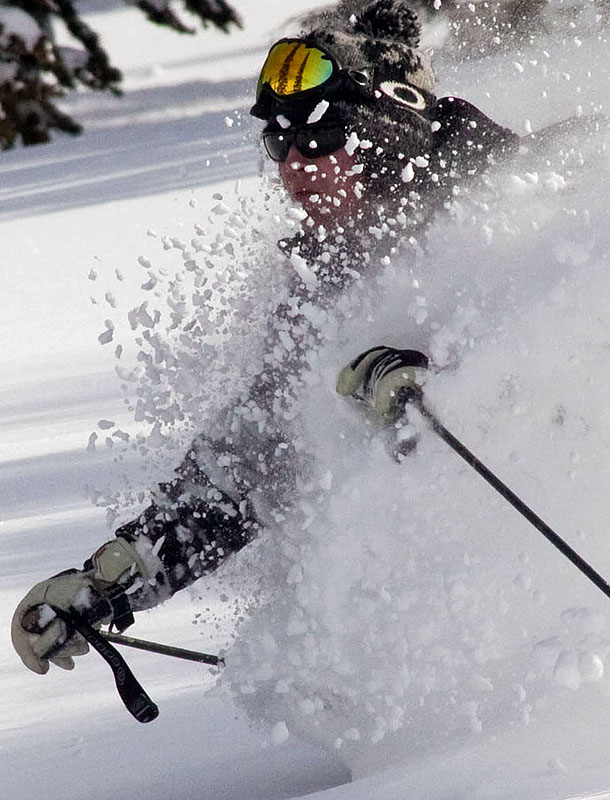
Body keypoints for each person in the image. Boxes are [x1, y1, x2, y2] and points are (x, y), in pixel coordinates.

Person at [10, 0, 519, 677]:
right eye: (279, 145)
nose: (296, 167)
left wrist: (451, 378)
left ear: (388, 131)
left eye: (317, 139)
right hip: (480, 638)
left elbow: (596, 345)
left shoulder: (523, 187)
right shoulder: (326, 281)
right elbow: (250, 462)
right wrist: (113, 581)